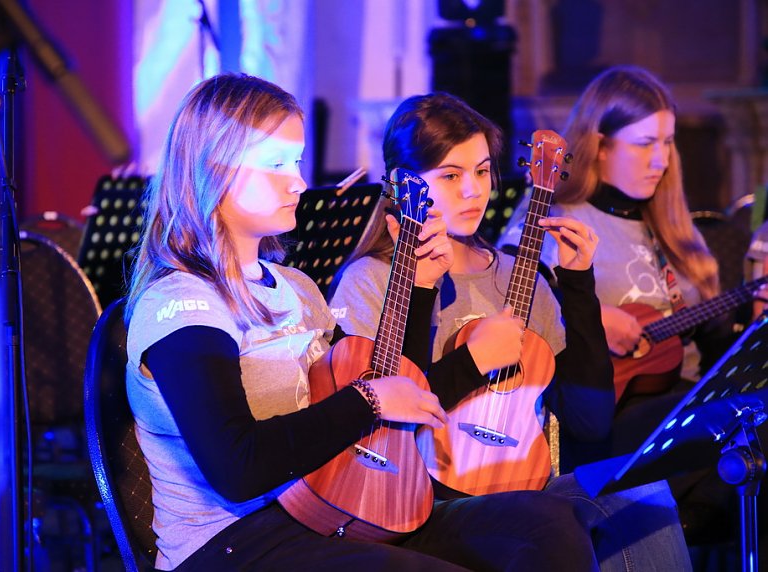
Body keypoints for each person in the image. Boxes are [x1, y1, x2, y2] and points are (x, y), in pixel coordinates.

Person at [124, 73, 599, 571]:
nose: (300, 182)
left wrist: (417, 289)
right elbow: (238, 468)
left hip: (334, 511)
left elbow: (395, 394)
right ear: (212, 170)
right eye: (275, 165)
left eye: (298, 161)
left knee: (549, 526)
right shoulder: (183, 304)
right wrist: (367, 401)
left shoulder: (298, 288)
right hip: (233, 544)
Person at [330, 91, 692, 571]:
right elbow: (373, 430)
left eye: (482, 171)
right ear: (406, 185)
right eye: (450, 176)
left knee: (641, 497)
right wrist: (471, 359)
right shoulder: (369, 280)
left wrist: (579, 286)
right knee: (547, 521)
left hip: (526, 481)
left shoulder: (518, 276)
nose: (472, 191)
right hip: (423, 496)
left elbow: (590, 423)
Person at [496, 65, 751, 546]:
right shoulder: (560, 217)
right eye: (644, 143)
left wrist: (747, 319)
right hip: (609, 419)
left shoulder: (673, 230)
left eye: (668, 142)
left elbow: (717, 348)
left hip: (687, 400)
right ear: (601, 145)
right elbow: (511, 301)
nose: (661, 159)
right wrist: (587, 314)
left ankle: (692, 523)